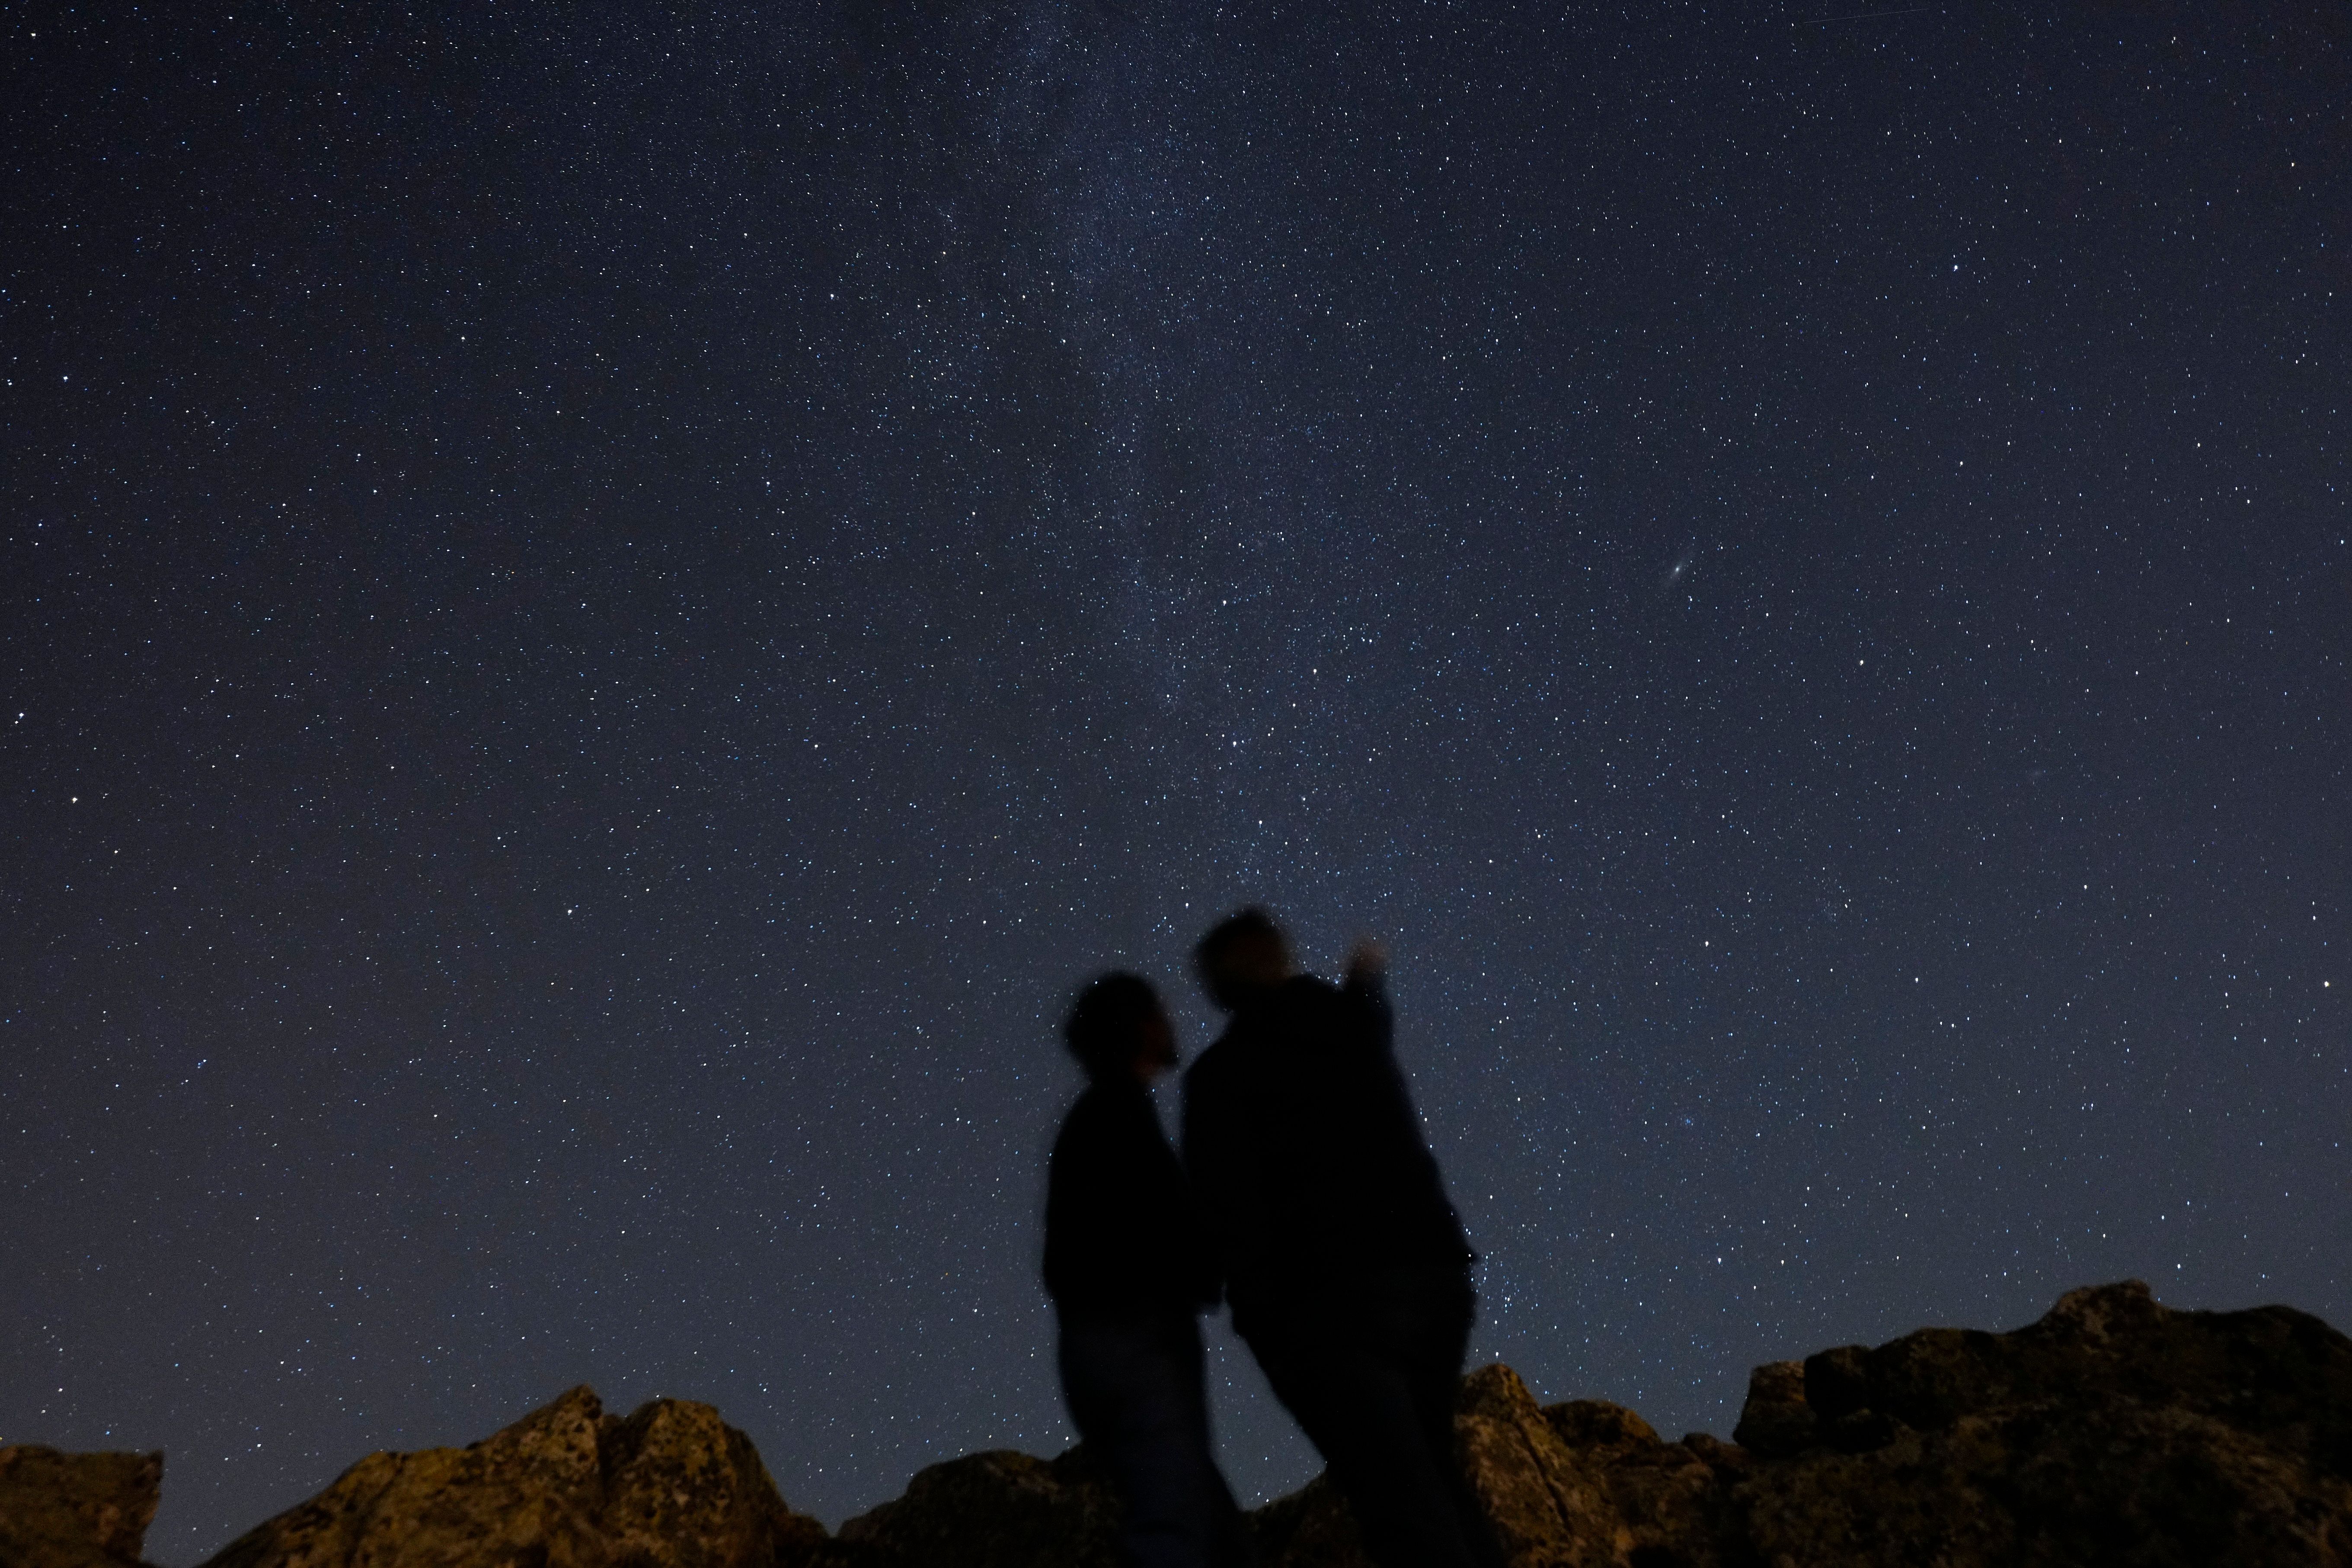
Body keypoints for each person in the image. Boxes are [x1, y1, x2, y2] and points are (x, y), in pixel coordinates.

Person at [1180, 910, 1490, 1568]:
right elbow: (1367, 1016)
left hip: (1331, 1302)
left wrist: (1260, 1321)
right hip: (1432, 1276)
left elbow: (1225, 1210)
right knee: (1432, 1476)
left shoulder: (1222, 1077)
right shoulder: (1350, 1027)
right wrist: (1366, 983)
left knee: (1399, 1505)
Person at [1045, 972, 1253, 1568]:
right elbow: (1164, 1231)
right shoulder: (1119, 1117)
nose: (1172, 1022)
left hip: (1102, 1347)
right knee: (1173, 1531)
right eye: (1160, 1013)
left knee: (1210, 1534)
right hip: (1135, 1344)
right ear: (1139, 1027)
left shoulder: (1097, 1120)